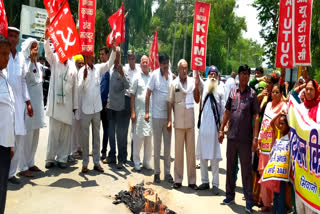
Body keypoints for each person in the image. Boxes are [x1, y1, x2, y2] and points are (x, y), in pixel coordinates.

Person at [218, 64, 259, 213]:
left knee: (246, 171)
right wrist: (221, 129)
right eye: (242, 73)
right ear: (239, 75)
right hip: (232, 137)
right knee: (230, 167)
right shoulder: (233, 92)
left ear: (249, 77)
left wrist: (255, 138)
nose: (244, 76)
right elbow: (227, 111)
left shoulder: (253, 95)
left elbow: (256, 116)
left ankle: (249, 201)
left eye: (247, 74)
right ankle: (229, 195)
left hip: (246, 140)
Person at [44, 19, 79, 169]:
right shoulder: (55, 61)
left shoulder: (73, 67)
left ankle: (63, 159)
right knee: (53, 134)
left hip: (68, 105)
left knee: (65, 134)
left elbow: (75, 89)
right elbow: (47, 52)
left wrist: (75, 106)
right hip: (55, 106)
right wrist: (47, 34)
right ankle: (50, 158)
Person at [78, 41, 116, 173]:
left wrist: (114, 50)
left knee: (96, 136)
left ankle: (96, 162)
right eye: (90, 56)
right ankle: (84, 163)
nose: (93, 57)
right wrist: (83, 79)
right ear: (85, 57)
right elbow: (79, 88)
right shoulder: (82, 71)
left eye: (94, 56)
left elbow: (109, 63)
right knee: (85, 137)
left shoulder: (98, 68)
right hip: (86, 109)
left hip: (97, 109)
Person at [7, 27, 33, 183]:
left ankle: (11, 173)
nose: (13, 39)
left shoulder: (21, 58)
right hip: (4, 103)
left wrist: (28, 102)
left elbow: (23, 81)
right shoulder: (2, 54)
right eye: (10, 35)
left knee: (18, 139)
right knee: (4, 139)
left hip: (18, 104)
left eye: (16, 36)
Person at [167, 59, 198, 189]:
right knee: (178, 153)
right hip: (178, 123)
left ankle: (192, 181)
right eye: (182, 68)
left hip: (190, 123)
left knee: (191, 153)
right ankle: (178, 179)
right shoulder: (174, 84)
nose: (184, 71)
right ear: (178, 69)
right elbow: (169, 102)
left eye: (186, 68)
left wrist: (197, 83)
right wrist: (169, 119)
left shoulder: (192, 82)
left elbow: (197, 98)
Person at [195, 66, 225, 195]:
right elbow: (197, 81)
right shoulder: (204, 85)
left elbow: (223, 109)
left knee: (214, 158)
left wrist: (223, 128)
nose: (213, 76)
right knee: (202, 156)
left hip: (214, 127)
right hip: (203, 128)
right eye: (211, 74)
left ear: (217, 76)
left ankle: (215, 184)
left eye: (215, 74)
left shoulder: (221, 88)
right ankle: (205, 181)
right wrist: (196, 71)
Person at [257, 84, 286, 212]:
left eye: (277, 92)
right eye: (273, 92)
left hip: (276, 147)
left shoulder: (284, 107)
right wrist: (258, 140)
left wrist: (278, 114)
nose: (274, 94)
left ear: (281, 94)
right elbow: (264, 123)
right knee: (263, 174)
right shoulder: (268, 105)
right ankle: (266, 203)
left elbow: (280, 124)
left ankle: (275, 204)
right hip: (264, 145)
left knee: (273, 176)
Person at [145, 53, 174, 183]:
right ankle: (157, 173)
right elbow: (147, 94)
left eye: (167, 63)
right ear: (159, 64)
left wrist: (172, 117)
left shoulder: (171, 77)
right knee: (157, 147)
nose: (166, 66)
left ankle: (167, 174)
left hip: (168, 118)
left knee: (167, 148)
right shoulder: (154, 75)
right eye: (163, 64)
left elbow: (174, 96)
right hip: (156, 117)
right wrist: (147, 112)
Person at [19, 38, 46, 177]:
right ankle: (22, 166)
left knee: (35, 135)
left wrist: (35, 59)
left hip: (38, 105)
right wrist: (31, 58)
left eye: (36, 47)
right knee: (27, 136)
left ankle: (30, 162)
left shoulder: (38, 64)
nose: (35, 49)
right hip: (28, 105)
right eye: (32, 47)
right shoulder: (24, 62)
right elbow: (25, 77)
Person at [107, 48, 130, 169]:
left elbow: (127, 86)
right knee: (111, 133)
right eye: (115, 55)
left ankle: (121, 158)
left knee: (120, 134)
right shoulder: (110, 69)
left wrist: (122, 75)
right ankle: (112, 156)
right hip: (111, 106)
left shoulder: (123, 70)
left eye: (118, 56)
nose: (116, 58)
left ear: (120, 57)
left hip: (120, 108)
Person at [0, 34, 15, 214]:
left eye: (7, 54)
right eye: (2, 54)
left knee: (2, 189)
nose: (6, 58)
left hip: (4, 145)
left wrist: (10, 144)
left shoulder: (3, 77)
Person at [130, 55, 152, 171]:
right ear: (140, 63)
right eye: (143, 62)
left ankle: (147, 162)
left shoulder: (152, 77)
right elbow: (132, 95)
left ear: (149, 64)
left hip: (150, 114)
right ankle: (136, 162)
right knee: (138, 138)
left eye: (146, 62)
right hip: (138, 113)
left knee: (148, 139)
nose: (144, 64)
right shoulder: (136, 77)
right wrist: (132, 112)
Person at [125, 50, 139, 162]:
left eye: (133, 58)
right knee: (124, 130)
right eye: (129, 58)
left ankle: (134, 156)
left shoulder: (139, 71)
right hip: (126, 100)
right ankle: (123, 155)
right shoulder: (125, 69)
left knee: (135, 130)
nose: (131, 60)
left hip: (136, 102)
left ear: (135, 59)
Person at [70, 55, 84, 160]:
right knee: (73, 129)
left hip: (83, 106)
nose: (81, 64)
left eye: (82, 62)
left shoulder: (84, 73)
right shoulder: (73, 73)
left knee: (81, 128)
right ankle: (73, 149)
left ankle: (80, 148)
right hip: (74, 106)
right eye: (78, 63)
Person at [99, 46, 110, 162]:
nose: (101, 56)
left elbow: (110, 87)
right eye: (100, 54)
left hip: (106, 104)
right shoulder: (99, 68)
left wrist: (108, 101)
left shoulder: (109, 68)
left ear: (107, 55)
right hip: (97, 104)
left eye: (103, 54)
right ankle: (97, 150)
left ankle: (104, 152)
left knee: (106, 129)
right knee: (96, 129)